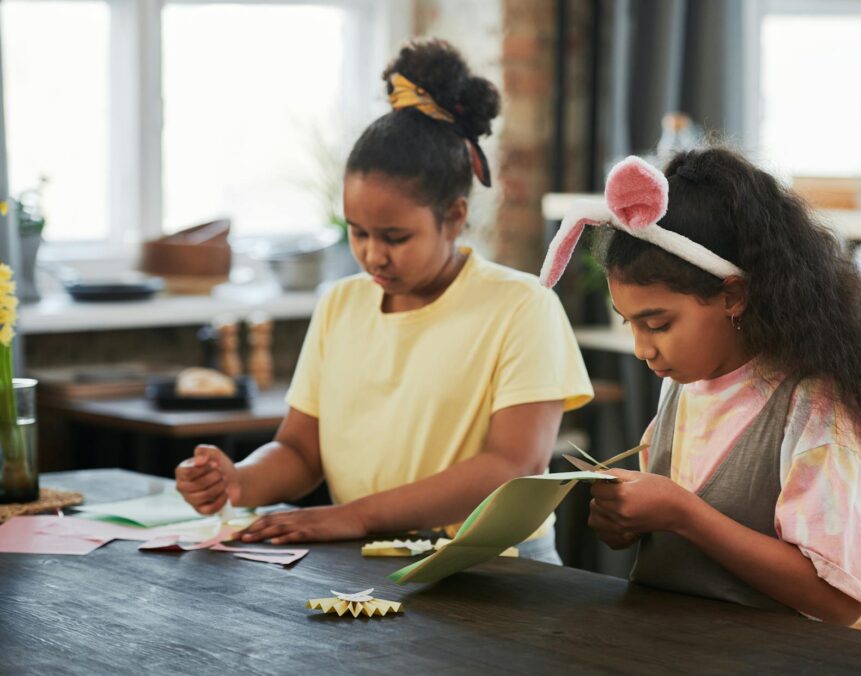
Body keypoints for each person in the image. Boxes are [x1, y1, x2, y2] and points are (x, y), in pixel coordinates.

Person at [175, 39, 592, 563]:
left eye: (395, 237)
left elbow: (514, 466)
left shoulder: (521, 306)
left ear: (454, 217)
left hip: (495, 569)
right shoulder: (340, 304)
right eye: (357, 232)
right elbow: (301, 450)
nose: (373, 255)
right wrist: (239, 480)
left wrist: (354, 516)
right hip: (365, 561)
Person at [539, 148, 861, 628]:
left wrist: (683, 514)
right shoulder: (683, 384)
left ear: (732, 295)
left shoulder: (813, 408)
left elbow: (841, 600)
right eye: (630, 323)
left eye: (658, 324)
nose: (642, 349)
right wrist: (626, 523)